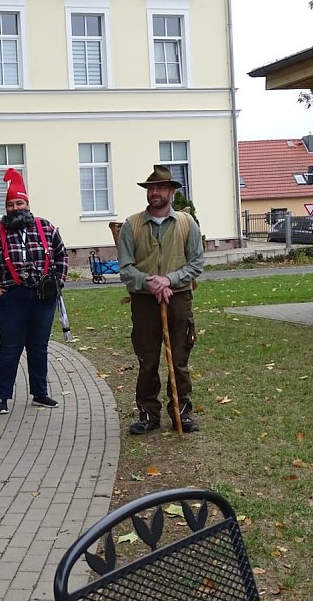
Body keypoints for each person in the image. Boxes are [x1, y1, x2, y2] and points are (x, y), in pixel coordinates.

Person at [117, 165, 204, 434]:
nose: (154, 192)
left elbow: (196, 263)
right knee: (148, 361)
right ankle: (148, 414)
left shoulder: (187, 224)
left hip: (178, 299)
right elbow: (126, 268)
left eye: (160, 188)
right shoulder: (131, 225)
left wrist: (169, 280)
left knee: (178, 360)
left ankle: (182, 413)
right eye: (151, 188)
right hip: (144, 301)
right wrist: (150, 282)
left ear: (171, 192)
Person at [0, 168, 68, 415]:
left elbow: (61, 255)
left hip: (43, 297)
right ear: (6, 208)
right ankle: (2, 396)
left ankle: (40, 393)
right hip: (10, 298)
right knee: (10, 348)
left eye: (19, 203)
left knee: (39, 347)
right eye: (11, 205)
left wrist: (58, 282)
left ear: (27, 204)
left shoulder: (46, 227)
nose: (15, 208)